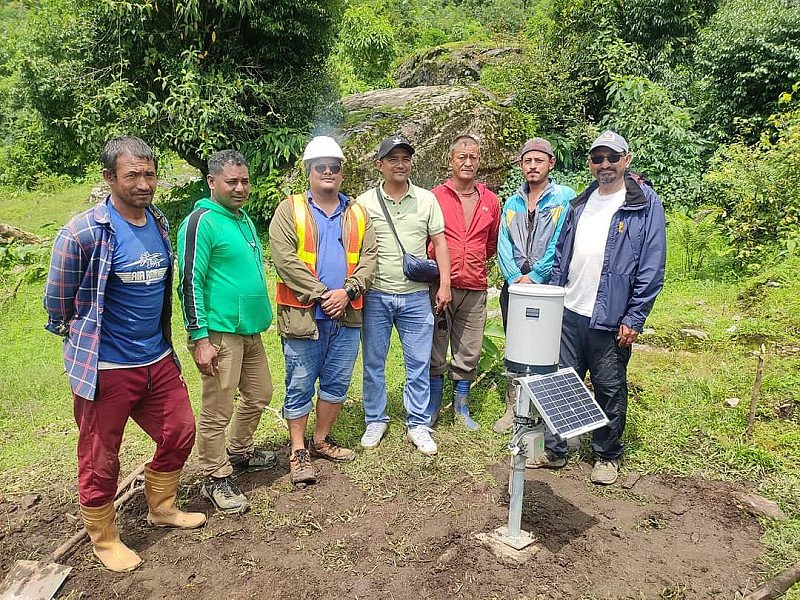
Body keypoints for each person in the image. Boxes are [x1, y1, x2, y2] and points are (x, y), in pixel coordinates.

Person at [44, 136, 206, 573]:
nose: (143, 183)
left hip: (156, 358)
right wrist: (81, 338)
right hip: (107, 367)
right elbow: (57, 302)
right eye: (132, 174)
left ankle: (162, 507)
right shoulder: (82, 233)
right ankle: (105, 538)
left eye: (149, 174)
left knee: (180, 431)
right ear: (109, 177)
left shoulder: (158, 220)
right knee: (100, 456)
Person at [548, 130, 666, 484]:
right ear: (590, 164)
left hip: (611, 316)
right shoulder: (580, 202)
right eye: (598, 158)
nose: (605, 165)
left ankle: (606, 454)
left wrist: (635, 316)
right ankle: (557, 447)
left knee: (609, 386)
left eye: (612, 158)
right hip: (570, 308)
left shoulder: (643, 204)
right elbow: (561, 255)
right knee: (562, 380)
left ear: (626, 160)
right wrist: (553, 297)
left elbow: (652, 265)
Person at [269, 136, 378, 486]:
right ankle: (298, 449)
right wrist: (322, 295)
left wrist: (347, 292)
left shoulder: (358, 213)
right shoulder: (290, 209)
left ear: (342, 172)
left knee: (336, 382)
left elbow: (369, 259)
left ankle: (321, 440)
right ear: (309, 171)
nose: (328, 172)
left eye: (334, 166)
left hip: (347, 315)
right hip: (303, 316)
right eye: (321, 167)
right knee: (299, 382)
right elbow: (285, 259)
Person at [177, 150, 275, 513]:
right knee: (218, 407)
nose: (240, 188)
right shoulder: (201, 222)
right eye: (231, 181)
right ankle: (214, 476)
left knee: (260, 393)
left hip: (249, 331)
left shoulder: (242, 219)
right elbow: (189, 281)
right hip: (219, 332)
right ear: (212, 182)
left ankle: (239, 451)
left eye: (244, 181)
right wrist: (200, 338)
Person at [355, 135, 452, 455]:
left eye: (405, 158)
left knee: (418, 362)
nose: (400, 164)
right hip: (377, 295)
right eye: (393, 159)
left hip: (415, 297)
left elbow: (440, 244)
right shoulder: (364, 203)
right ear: (379, 165)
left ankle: (418, 424)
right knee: (373, 362)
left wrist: (445, 284)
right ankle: (375, 419)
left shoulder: (426, 199)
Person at [494, 138, 576, 434]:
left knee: (548, 347)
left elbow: (562, 241)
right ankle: (514, 407)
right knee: (515, 343)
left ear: (550, 163)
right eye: (527, 161)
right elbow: (503, 242)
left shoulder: (564, 198)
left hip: (548, 287)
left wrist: (536, 276)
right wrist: (513, 277)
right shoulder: (512, 203)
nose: (532, 166)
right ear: (521, 165)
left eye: (538, 161)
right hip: (515, 287)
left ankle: (546, 408)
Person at [428, 134, 501, 430]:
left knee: (469, 348)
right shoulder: (435, 197)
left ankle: (461, 406)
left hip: (475, 286)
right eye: (462, 157)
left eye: (473, 157)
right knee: (435, 345)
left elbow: (491, 244)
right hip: (439, 285)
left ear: (479, 161)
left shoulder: (490, 200)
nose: (468, 162)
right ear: (451, 161)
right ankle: (432, 406)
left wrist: (469, 259)